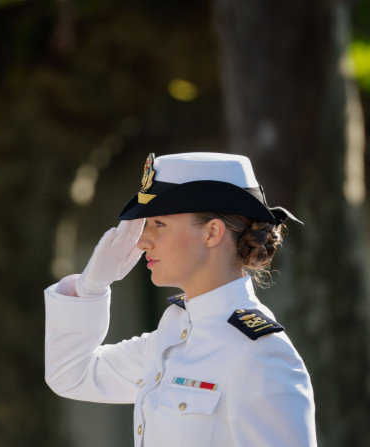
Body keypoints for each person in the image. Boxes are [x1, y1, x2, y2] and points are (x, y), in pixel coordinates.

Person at [44, 152, 316, 446]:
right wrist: (92, 287)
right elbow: (71, 375)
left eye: (158, 224)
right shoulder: (173, 334)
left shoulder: (259, 353)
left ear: (212, 233)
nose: (141, 240)